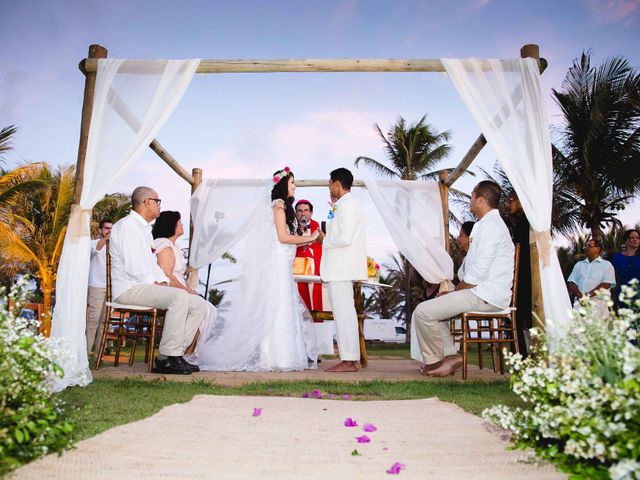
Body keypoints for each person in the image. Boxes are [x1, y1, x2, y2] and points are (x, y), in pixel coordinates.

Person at [194, 167, 319, 371]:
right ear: (283, 185)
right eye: (292, 183)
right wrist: (310, 238)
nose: (295, 186)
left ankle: (285, 357)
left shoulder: (282, 208)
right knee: (277, 306)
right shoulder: (278, 206)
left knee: (284, 306)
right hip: (277, 265)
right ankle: (275, 358)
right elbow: (282, 237)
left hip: (283, 264)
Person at [413, 181, 514, 377]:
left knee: (423, 312)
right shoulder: (485, 225)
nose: (470, 200)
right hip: (479, 292)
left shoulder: (491, 226)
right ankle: (450, 357)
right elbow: (472, 270)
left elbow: (478, 273)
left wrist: (454, 292)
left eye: (472, 195)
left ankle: (437, 362)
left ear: (481, 200)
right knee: (436, 308)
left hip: (485, 294)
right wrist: (451, 293)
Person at [109, 186, 207, 375]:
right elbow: (134, 267)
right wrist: (157, 283)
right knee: (179, 298)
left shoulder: (144, 229)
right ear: (147, 202)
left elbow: (153, 265)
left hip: (144, 285)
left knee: (197, 304)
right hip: (129, 288)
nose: (159, 206)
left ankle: (173, 355)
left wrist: (162, 281)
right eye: (157, 202)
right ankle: (168, 357)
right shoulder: (127, 226)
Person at [320, 167, 368, 373]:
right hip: (338, 269)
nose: (329, 187)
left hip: (341, 269)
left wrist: (324, 240)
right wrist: (332, 209)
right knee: (343, 314)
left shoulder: (348, 206)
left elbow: (344, 238)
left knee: (345, 315)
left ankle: (349, 360)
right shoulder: (341, 205)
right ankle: (350, 358)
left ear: (337, 184)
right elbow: (336, 227)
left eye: (330, 183)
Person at [152, 211, 217, 355]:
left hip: (179, 288)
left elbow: (179, 276)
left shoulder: (174, 246)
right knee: (205, 309)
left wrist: (192, 291)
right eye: (179, 221)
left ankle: (189, 351)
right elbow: (167, 275)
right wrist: (188, 292)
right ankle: (182, 351)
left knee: (208, 308)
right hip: (169, 290)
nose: (182, 224)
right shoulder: (163, 245)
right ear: (171, 225)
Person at [506, 190, 532, 358]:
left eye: (510, 201)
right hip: (520, 276)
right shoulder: (518, 224)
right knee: (518, 316)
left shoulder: (526, 223)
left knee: (521, 316)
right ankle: (520, 354)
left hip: (525, 277)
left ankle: (521, 354)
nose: (508, 205)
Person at [86, 219, 113, 355]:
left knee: (104, 322)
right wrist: (107, 239)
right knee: (93, 321)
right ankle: (85, 352)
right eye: (107, 228)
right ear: (101, 230)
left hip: (110, 288)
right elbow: (96, 249)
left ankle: (99, 353)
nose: (109, 231)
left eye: (111, 229)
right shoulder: (94, 243)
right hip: (96, 286)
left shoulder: (115, 246)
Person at [294, 199, 324, 311]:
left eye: (306, 210)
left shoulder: (319, 227)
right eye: (300, 211)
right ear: (296, 213)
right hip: (297, 271)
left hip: (317, 270)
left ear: (311, 213)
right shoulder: (291, 228)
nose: (303, 213)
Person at [567, 238, 616, 305]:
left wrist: (587, 296)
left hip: (598, 305)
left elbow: (606, 284)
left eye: (589, 246)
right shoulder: (579, 265)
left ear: (598, 248)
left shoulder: (607, 265)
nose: (585, 248)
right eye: (585, 246)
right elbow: (572, 282)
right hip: (579, 304)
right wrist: (579, 295)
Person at [611, 229, 640, 305]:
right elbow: (612, 277)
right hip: (622, 296)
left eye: (637, 238)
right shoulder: (617, 257)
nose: (635, 240)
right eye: (632, 237)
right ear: (626, 241)